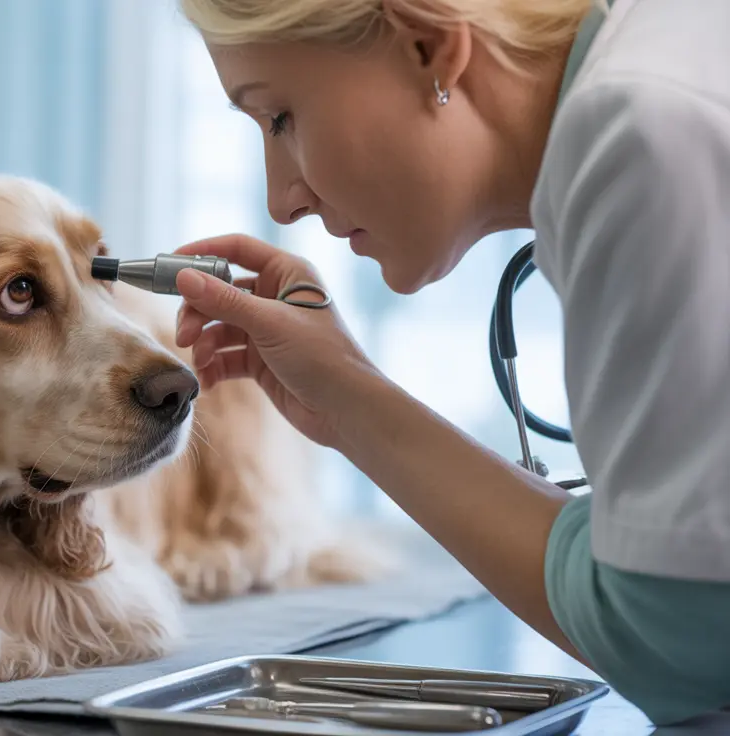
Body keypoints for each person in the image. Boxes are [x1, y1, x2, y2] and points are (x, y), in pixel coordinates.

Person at [169, 0, 730, 726]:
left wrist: (355, 406)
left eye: (280, 118)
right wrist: (345, 395)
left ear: (426, 45)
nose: (283, 200)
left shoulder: (641, 128)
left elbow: (678, 641)